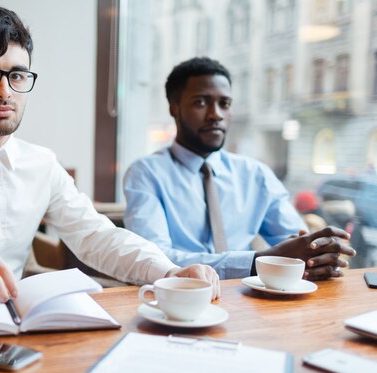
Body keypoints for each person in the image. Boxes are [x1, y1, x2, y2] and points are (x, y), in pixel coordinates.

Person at [0, 6, 218, 308]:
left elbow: (97, 237)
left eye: (17, 75)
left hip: (15, 329)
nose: (4, 91)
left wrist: (169, 271)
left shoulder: (41, 165)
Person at [123, 57, 355, 280]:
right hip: (178, 299)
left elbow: (295, 240)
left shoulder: (255, 174)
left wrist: (315, 254)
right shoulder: (146, 173)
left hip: (251, 300)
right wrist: (257, 261)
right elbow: (154, 260)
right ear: (174, 108)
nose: (216, 115)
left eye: (224, 103)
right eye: (200, 102)